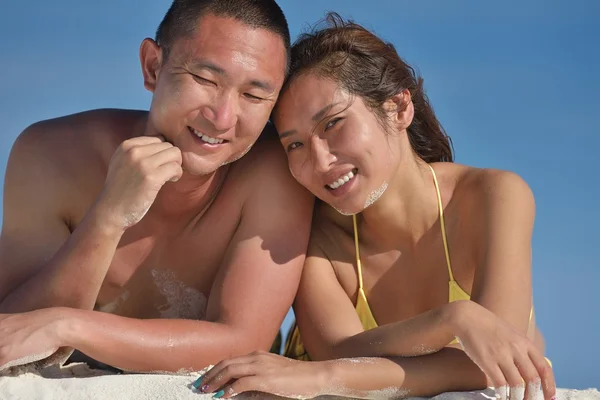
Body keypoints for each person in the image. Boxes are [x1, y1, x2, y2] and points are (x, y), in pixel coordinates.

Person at [196, 13, 556, 400]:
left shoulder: (494, 196)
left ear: (399, 109)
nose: (319, 161)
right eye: (295, 145)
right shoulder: (317, 236)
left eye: (333, 123)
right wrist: (454, 319)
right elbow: (337, 352)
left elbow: (500, 360)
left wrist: (325, 376)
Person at [0, 0, 313, 373]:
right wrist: (108, 218)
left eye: (253, 96)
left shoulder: (274, 174)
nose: (222, 118)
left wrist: (67, 326)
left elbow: (244, 343)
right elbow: (12, 331)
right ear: (152, 66)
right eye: (205, 79)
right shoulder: (50, 156)